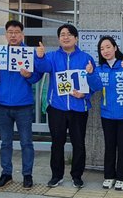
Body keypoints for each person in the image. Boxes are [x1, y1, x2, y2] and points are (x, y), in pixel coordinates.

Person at [0, 20, 45, 189]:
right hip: (3, 105)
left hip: (24, 105)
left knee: (26, 142)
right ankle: (6, 173)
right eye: (10, 32)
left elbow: (37, 77)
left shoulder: (29, 53)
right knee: (5, 142)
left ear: (22, 35)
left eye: (16, 32)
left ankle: (27, 174)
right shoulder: (0, 53)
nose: (13, 35)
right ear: (5, 35)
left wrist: (28, 75)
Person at [40, 24, 100, 188]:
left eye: (69, 34)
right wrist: (39, 57)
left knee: (79, 143)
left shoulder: (86, 58)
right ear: (59, 38)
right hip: (57, 108)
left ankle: (77, 176)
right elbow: (41, 68)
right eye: (62, 35)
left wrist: (86, 91)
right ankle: (56, 175)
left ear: (76, 38)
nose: (66, 37)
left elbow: (95, 85)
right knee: (57, 143)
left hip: (79, 108)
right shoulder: (52, 57)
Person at [93, 36, 123, 191]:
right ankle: (109, 176)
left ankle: (122, 177)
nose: (105, 51)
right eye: (102, 48)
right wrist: (91, 74)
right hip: (107, 114)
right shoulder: (100, 68)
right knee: (109, 146)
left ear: (115, 48)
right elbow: (95, 87)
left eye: (108, 47)